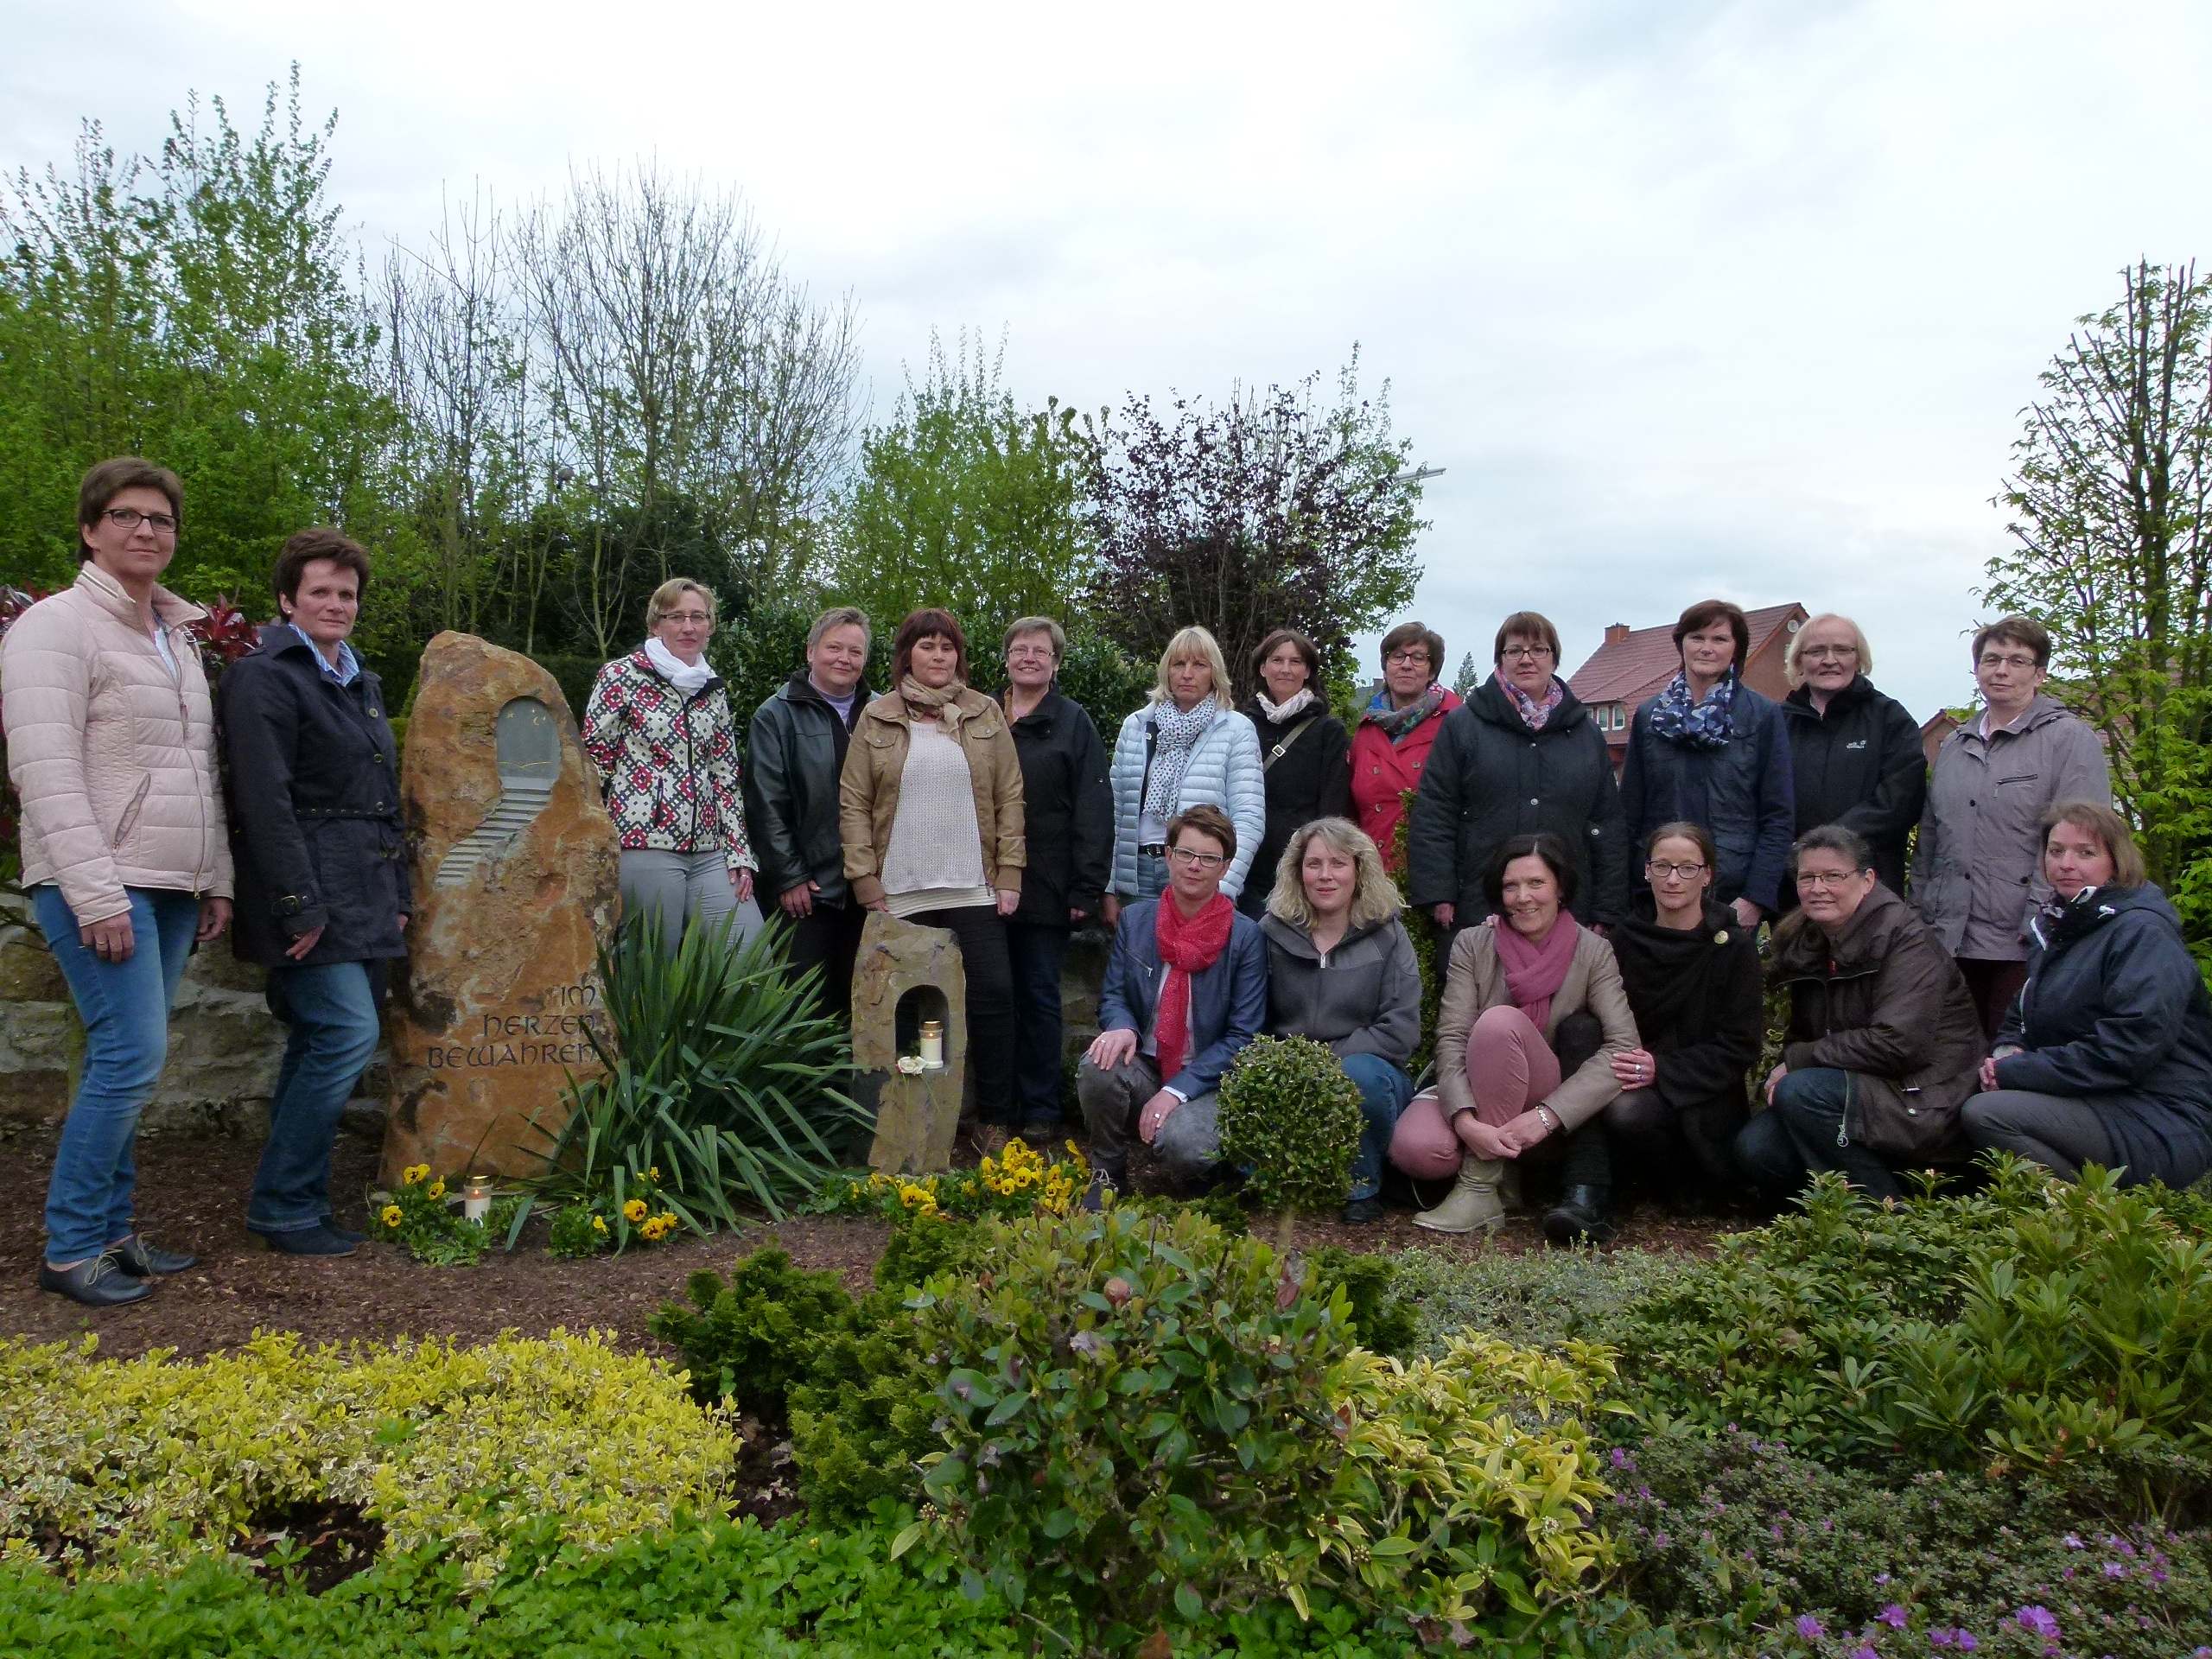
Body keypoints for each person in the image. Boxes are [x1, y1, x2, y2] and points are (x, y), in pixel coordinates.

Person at [1, 457, 232, 1306]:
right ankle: (69, 1249)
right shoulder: (54, 629)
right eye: (127, 516)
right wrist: (95, 892)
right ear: (92, 529)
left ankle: (114, 1234)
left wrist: (216, 878)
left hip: (171, 881)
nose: (146, 531)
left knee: (128, 1058)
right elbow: (45, 768)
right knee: (131, 1057)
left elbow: (197, 771)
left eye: (161, 520)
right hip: (95, 879)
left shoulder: (177, 639)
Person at [216, 529, 407, 1258]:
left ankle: (288, 1203)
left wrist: (398, 894)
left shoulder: (359, 680)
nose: (336, 605)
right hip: (308, 889)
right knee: (346, 1033)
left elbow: (382, 797)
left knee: (319, 1039)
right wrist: (298, 902)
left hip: (365, 885)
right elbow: (264, 801)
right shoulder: (264, 676)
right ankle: (288, 1202)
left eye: (347, 594)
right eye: (320, 592)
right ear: (287, 599)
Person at [1388, 833, 1638, 1243]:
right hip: (1476, 1084)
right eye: (1511, 885)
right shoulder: (1474, 943)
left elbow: (1623, 1047)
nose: (1523, 897)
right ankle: (1506, 1172)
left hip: (1546, 1096)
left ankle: (1478, 1184)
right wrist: (1466, 1122)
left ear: (1560, 888)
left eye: (1536, 883)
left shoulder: (1593, 951)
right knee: (1415, 1149)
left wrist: (1548, 1116)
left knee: (1499, 1022)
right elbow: (1451, 1038)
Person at [841, 608, 1025, 1139]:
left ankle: (994, 1121)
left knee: (993, 996)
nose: (939, 656)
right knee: (915, 1008)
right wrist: (864, 879)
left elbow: (1010, 796)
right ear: (907, 656)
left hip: (973, 884)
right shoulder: (877, 717)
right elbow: (854, 803)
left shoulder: (985, 714)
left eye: (948, 647)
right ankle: (917, 1120)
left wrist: (1009, 875)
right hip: (899, 891)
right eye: (927, 646)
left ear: (959, 657)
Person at [1961, 803, 2212, 1188]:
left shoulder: (2142, 933)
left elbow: (2128, 1049)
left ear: (2117, 861)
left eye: (2086, 852)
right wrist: (2006, 1054)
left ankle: (2087, 1214)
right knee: (1957, 1093)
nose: (2065, 863)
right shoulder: (2063, 926)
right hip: (2093, 1100)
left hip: (2160, 1115)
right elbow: (2023, 1013)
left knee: (1988, 1114)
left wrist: (2018, 1073)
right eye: (2056, 850)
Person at [1736, 825, 1982, 1202]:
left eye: (1834, 876)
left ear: (1867, 880)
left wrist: (1798, 1061)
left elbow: (1899, 1044)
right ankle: (1832, 1220)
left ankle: (1888, 1219)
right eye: (1807, 877)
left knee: (1801, 1091)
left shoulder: (1906, 940)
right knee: (1758, 1149)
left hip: (1924, 1097)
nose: (1818, 888)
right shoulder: (1812, 941)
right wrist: (1794, 1062)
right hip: (1859, 1088)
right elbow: (1804, 1035)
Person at [1911, 614, 2112, 1040]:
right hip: (1949, 938)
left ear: (2040, 674)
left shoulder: (2069, 741)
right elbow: (1930, 840)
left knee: (2006, 1059)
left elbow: (2081, 844)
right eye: (1991, 659)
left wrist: (2040, 922)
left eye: (2017, 661)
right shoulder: (1955, 746)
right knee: (1949, 1058)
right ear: (1977, 669)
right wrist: (1921, 914)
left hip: (2022, 944)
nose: (2001, 670)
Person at [1078, 804, 1268, 1202]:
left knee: (1184, 1145)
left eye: (1209, 858)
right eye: (1185, 853)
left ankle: (1207, 1174)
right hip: (1145, 1064)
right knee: (1098, 1065)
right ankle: (1107, 1172)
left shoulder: (1246, 938)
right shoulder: (1136, 921)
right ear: (1168, 855)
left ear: (1225, 866)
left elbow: (1243, 1036)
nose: (1194, 866)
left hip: (1208, 1078)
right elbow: (1113, 994)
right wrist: (1122, 1026)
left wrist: (1178, 1090)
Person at [1408, 611, 1627, 932]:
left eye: (1538, 649)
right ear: (1500, 660)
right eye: (1514, 651)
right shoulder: (1463, 726)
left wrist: (1607, 907)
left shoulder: (1585, 733)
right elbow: (1435, 812)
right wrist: (1439, 892)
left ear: (1554, 658)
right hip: (1480, 901)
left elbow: (1607, 821)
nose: (1526, 660)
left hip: (1567, 903)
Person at [582, 578, 761, 953]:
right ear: (655, 625)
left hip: (710, 850)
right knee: (651, 963)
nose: (688, 627)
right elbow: (594, 762)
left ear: (710, 626)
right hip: (643, 842)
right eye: (675, 616)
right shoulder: (620, 677)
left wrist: (739, 853)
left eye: (698, 617)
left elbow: (726, 776)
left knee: (748, 950)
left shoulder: (713, 688)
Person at [1260, 817, 1421, 1224]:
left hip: (1368, 1069)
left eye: (1338, 863)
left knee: (1359, 1076)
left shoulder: (1389, 935)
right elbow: (1249, 1018)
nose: (1325, 876)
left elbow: (1400, 1030)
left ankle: (1363, 1185)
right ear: (1298, 871)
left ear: (1359, 869)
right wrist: (1286, 1067)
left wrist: (1325, 1063)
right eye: (1314, 864)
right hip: (1287, 1069)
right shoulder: (1271, 931)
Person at [1602, 822, 1764, 1212]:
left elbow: (1740, 1045)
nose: (1673, 880)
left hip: (1703, 1091)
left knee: (1629, 1114)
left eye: (1687, 868)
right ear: (1646, 871)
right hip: (1630, 1071)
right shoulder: (1624, 938)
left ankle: (1685, 1185)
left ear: (1707, 875)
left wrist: (1663, 1068)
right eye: (1662, 866)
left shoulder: (1733, 947)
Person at [998, 617, 1113, 1141]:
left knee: (1040, 995)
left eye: (1040, 651)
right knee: (992, 995)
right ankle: (994, 1104)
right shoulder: (979, 714)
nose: (1028, 658)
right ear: (1005, 658)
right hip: (980, 881)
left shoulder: (1073, 722)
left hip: (1047, 883)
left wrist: (1086, 887)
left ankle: (1041, 1109)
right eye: (1019, 649)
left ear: (1055, 662)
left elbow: (1094, 808)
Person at [1620, 599, 1796, 928]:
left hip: (1731, 892)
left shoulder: (1763, 716)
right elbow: (1630, 813)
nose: (1706, 648)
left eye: (1719, 639)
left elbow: (1778, 817)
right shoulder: (1650, 717)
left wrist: (1756, 898)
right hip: (1658, 892)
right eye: (1697, 637)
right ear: (1681, 644)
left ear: (1736, 649)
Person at [746, 606, 874, 1023]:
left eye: (855, 651)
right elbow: (766, 802)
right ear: (810, 651)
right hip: (810, 889)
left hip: (872, 886)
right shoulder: (775, 715)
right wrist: (790, 875)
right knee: (804, 1005)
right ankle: (805, 1090)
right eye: (834, 647)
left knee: (864, 1001)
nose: (844, 659)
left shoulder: (882, 712)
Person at [1104, 626, 1265, 917]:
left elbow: (1249, 818)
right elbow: (1114, 810)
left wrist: (1224, 884)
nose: (1187, 673)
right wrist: (1109, 885)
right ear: (1167, 671)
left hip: (1201, 875)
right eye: (1179, 664)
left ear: (1214, 674)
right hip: (1137, 876)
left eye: (1199, 665)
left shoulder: (1237, 730)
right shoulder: (1137, 726)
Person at [1775, 613, 1925, 904]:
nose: (1829, 660)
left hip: (1868, 890)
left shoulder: (1890, 719)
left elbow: (1900, 801)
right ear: (1799, 661)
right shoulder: (1777, 724)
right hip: (1792, 890)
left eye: (1842, 650)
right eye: (1816, 651)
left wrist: (1822, 847)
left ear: (1859, 659)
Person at [1236, 629, 1351, 920]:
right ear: (1263, 668)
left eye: (1295, 662)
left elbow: (1332, 808)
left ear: (1308, 671)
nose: (1285, 669)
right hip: (1245, 869)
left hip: (1299, 870)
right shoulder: (1241, 725)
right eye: (1277, 660)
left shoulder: (1329, 731)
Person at [1350, 620, 1461, 867]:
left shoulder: (1457, 724)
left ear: (1432, 671)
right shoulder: (1366, 729)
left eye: (1419, 657)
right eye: (1397, 656)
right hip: (1371, 873)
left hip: (1431, 869)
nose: (1407, 665)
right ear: (1385, 667)